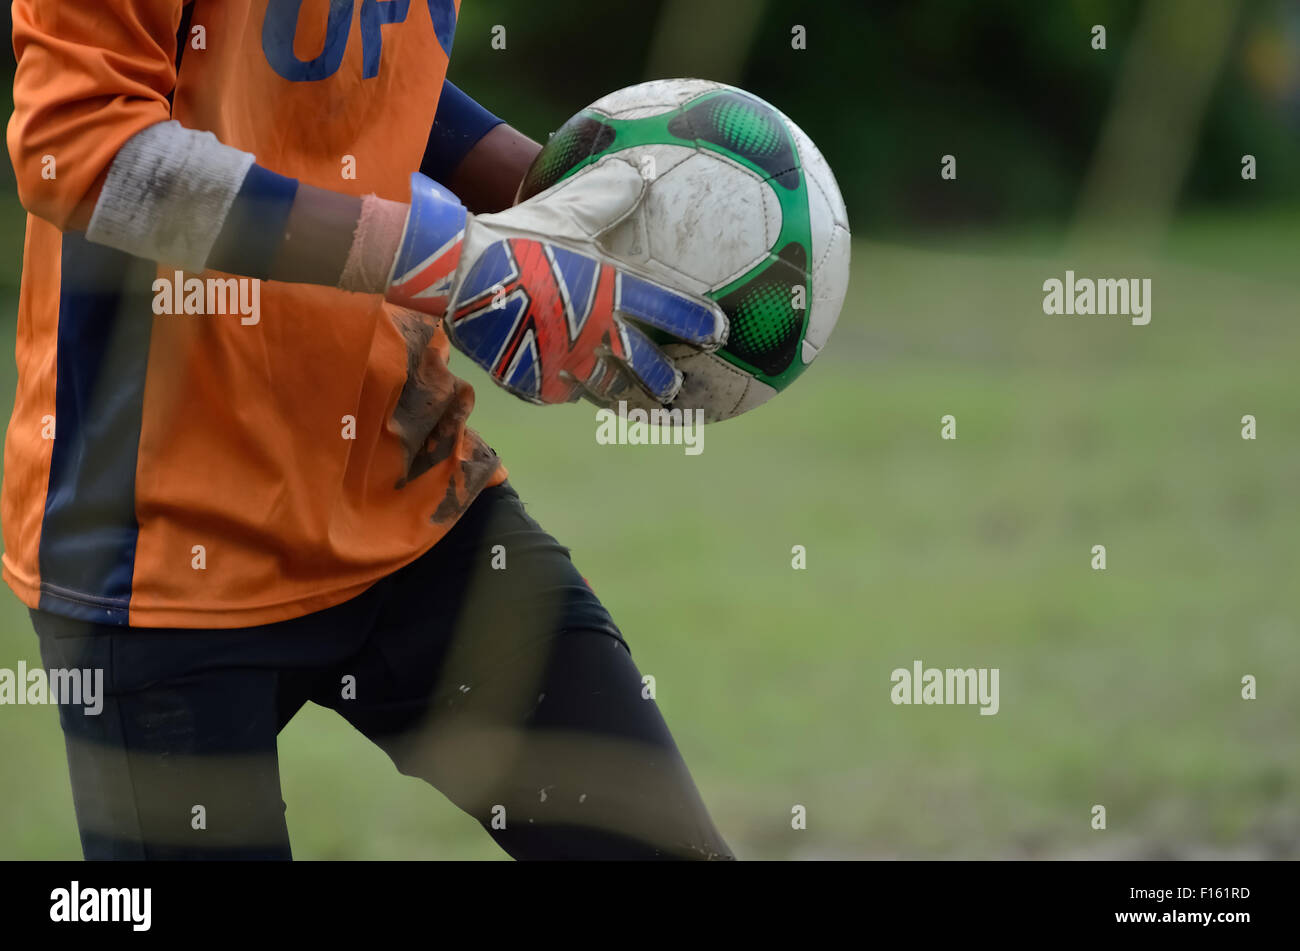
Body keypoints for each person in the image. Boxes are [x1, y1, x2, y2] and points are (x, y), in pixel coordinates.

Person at [5, 0, 733, 860]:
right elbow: (84, 151)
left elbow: (358, 71)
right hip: (161, 553)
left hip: (410, 493)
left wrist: (566, 210)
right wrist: (444, 260)